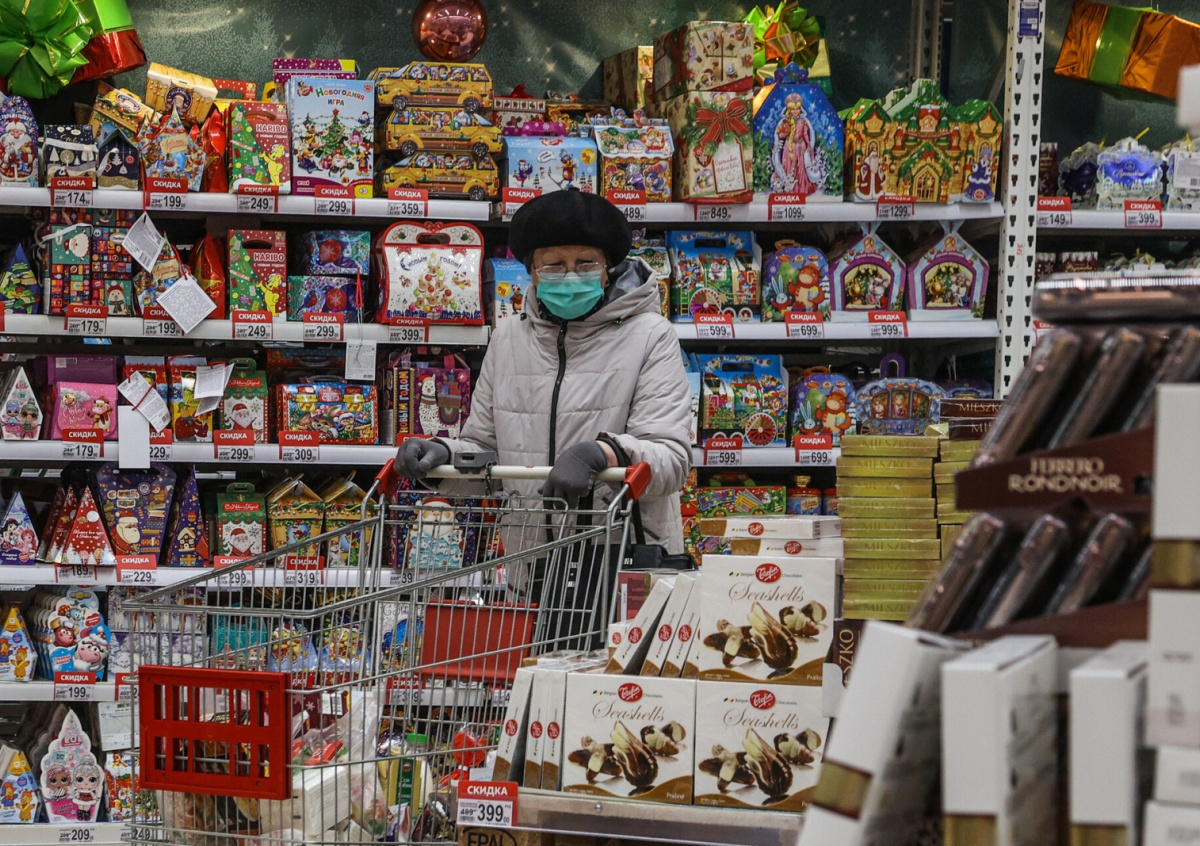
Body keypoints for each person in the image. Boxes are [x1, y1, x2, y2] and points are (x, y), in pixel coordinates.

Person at [396, 189, 693, 553]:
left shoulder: (650, 335)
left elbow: (671, 461)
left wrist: (606, 453)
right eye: (553, 265)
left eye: (586, 263)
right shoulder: (508, 339)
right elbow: (487, 454)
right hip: (532, 562)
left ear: (607, 270)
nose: (571, 277)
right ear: (532, 273)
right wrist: (442, 456)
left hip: (623, 558)